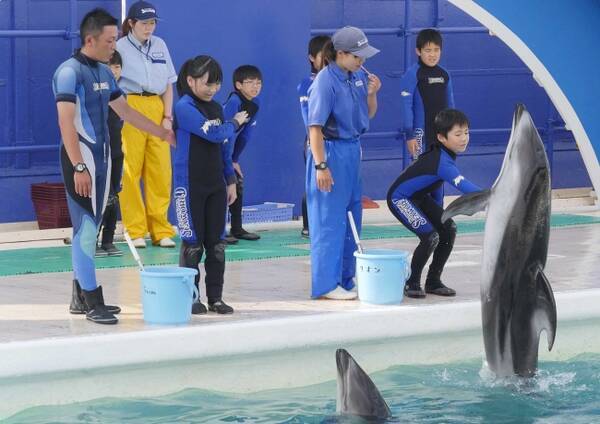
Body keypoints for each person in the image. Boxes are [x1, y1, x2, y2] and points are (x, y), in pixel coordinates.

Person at [53, 8, 175, 324]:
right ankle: (93, 302)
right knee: (86, 231)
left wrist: (161, 131)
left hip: (103, 162)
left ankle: (79, 297)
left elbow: (126, 112)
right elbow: (66, 124)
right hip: (81, 163)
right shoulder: (69, 72)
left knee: (88, 229)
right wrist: (79, 167)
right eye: (110, 40)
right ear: (90, 39)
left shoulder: (105, 72)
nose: (114, 45)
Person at [306, 26, 381, 300]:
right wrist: (321, 166)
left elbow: (367, 115)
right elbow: (314, 128)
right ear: (340, 54)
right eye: (357, 56)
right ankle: (326, 285)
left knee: (352, 218)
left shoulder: (358, 76)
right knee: (329, 221)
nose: (362, 61)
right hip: (331, 151)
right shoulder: (325, 81)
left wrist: (372, 94)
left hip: (352, 150)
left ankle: (346, 280)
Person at [173, 55, 248, 315]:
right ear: (191, 80)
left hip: (215, 184)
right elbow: (215, 133)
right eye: (207, 83)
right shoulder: (184, 107)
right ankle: (191, 297)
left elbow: (224, 147)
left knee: (216, 244)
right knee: (193, 243)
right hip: (190, 185)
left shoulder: (216, 108)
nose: (213, 89)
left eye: (217, 84)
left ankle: (215, 297)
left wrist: (229, 181)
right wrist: (235, 122)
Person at [387, 109, 480, 298]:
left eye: (466, 133)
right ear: (441, 137)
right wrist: (495, 195)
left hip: (419, 198)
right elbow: (465, 187)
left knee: (448, 229)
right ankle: (411, 283)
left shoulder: (444, 155)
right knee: (430, 236)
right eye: (458, 134)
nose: (464, 138)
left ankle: (433, 282)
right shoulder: (442, 162)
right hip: (400, 199)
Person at [116, 0, 177, 249]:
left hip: (157, 107)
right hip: (131, 105)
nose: (149, 27)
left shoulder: (160, 45)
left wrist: (168, 116)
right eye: (144, 23)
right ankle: (135, 229)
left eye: (152, 23)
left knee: (160, 171)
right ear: (131, 23)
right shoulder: (119, 47)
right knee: (131, 170)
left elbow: (169, 84)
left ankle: (161, 230)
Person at [399, 28, 454, 205]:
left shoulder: (444, 75)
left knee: (439, 178)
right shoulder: (412, 74)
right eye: (428, 50)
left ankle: (439, 220)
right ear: (418, 51)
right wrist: (410, 135)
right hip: (420, 136)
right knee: (421, 180)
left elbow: (451, 107)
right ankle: (423, 224)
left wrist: (452, 133)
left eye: (436, 50)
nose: (432, 55)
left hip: (441, 137)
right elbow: (406, 107)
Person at [223, 65, 262, 243]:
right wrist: (226, 161)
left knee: (237, 182)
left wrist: (235, 160)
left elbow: (245, 135)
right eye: (250, 82)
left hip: (228, 152)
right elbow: (226, 135)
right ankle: (218, 232)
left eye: (259, 83)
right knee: (222, 187)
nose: (256, 86)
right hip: (217, 146)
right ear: (238, 85)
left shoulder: (255, 103)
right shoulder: (233, 102)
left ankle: (237, 228)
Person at [297, 35, 330, 238]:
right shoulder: (307, 83)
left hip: (335, 143)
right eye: (322, 56)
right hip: (315, 142)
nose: (328, 59)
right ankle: (309, 225)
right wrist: (315, 139)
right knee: (314, 182)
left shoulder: (337, 79)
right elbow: (308, 118)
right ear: (311, 57)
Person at [96, 50, 124, 257]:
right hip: (98, 154)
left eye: (117, 67)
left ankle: (108, 240)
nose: (113, 71)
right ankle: (91, 241)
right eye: (109, 67)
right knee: (98, 199)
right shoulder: (94, 94)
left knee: (114, 197)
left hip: (116, 153)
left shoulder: (121, 96)